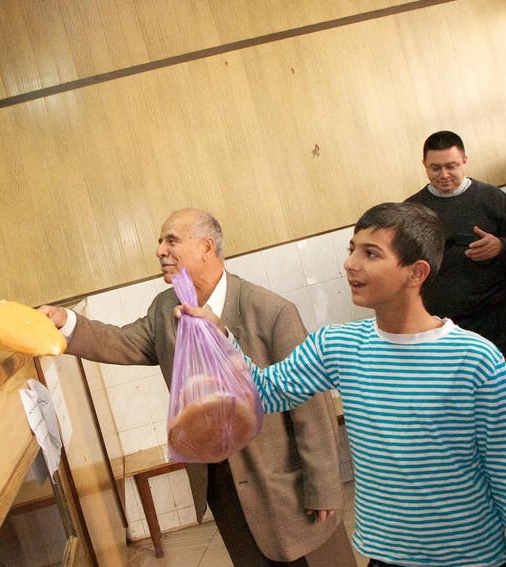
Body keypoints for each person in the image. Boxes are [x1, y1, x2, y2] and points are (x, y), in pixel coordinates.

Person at [180, 202, 506, 566]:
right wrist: (223, 337)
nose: (351, 263)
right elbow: (264, 392)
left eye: (371, 253)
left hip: (471, 556)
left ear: (416, 273)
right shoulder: (337, 346)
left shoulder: (474, 358)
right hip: (385, 555)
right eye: (352, 249)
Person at [39, 208, 354, 566]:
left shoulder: (269, 311)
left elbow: (311, 408)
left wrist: (324, 487)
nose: (159, 250)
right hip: (220, 487)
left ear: (207, 247)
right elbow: (122, 342)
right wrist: (67, 323)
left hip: (285, 488)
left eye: (171, 240)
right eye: (160, 241)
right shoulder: (165, 310)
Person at [404, 130, 506, 480]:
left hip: (496, 317)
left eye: (451, 165)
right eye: (435, 168)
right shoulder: (412, 212)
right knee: (456, 408)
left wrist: (502, 247)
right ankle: (473, 480)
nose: (444, 175)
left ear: (465, 160)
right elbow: (399, 268)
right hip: (441, 329)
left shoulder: (493, 199)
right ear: (424, 165)